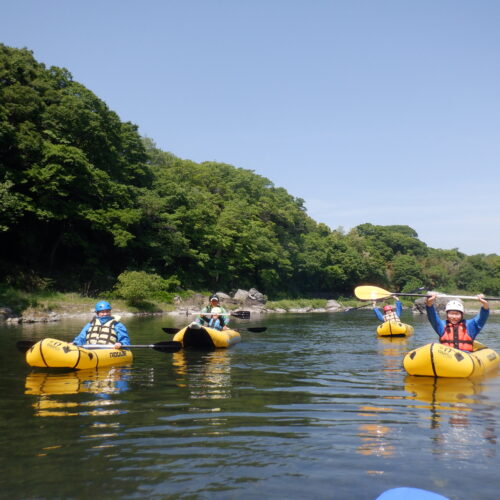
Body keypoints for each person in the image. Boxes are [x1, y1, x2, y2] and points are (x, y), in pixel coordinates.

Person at [425, 293, 489, 351]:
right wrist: (429, 303)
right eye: (451, 314)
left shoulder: (469, 326)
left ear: (462, 315)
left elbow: (482, 317)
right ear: (447, 314)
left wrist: (485, 304)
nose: (454, 317)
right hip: (446, 356)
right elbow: (432, 316)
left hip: (466, 356)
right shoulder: (442, 326)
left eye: (457, 314)